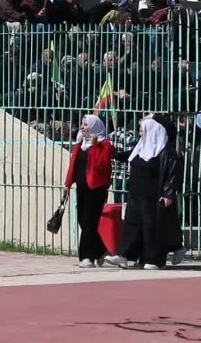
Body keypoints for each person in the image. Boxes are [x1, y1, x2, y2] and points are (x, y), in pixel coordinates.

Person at [112, 116, 182, 270]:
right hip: (136, 195)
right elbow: (125, 156)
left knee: (152, 227)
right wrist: (111, 152)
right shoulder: (140, 148)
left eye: (144, 129)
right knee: (132, 225)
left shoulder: (166, 151)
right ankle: (123, 255)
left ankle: (154, 259)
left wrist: (168, 194)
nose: (140, 132)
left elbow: (171, 175)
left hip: (154, 197)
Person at [63, 115, 113, 268]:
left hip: (96, 189)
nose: (82, 127)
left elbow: (102, 165)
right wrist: (67, 184)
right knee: (82, 220)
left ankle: (87, 257)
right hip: (82, 187)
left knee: (89, 222)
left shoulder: (104, 145)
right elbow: (73, 165)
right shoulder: (79, 145)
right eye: (82, 124)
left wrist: (95, 145)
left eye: (85, 125)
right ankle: (101, 249)